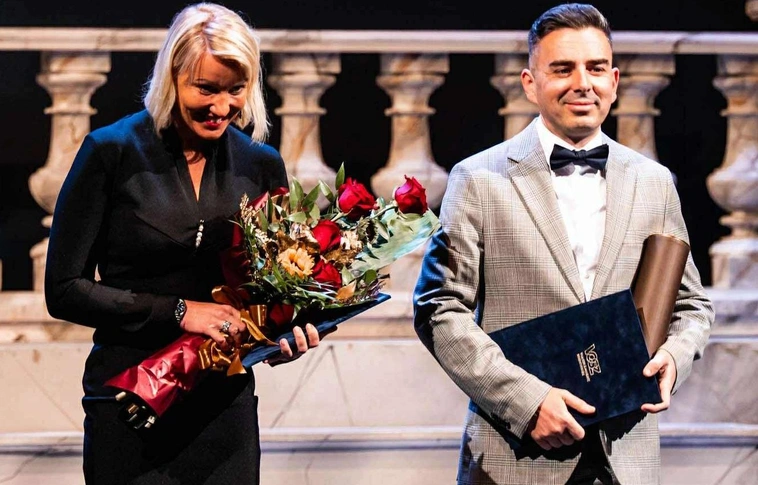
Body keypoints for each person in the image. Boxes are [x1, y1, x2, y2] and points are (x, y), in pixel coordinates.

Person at [413, 4, 713, 485]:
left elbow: (691, 304)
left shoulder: (654, 181)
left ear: (614, 80)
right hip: (515, 459)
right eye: (562, 69)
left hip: (628, 459)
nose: (582, 83)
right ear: (530, 83)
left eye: (595, 68)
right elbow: (439, 308)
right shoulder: (478, 178)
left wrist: (675, 357)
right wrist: (528, 403)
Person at [45, 3, 322, 484]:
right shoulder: (110, 152)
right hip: (129, 402)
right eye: (206, 89)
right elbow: (64, 289)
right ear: (172, 77)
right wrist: (178, 311)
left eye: (236, 89)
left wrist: (285, 334)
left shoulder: (260, 164)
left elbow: (270, 292)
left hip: (224, 410)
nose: (223, 107)